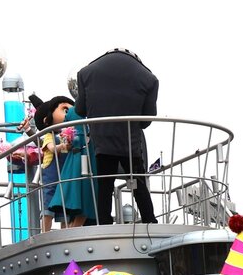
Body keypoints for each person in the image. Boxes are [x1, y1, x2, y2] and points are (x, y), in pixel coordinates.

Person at [76, 49, 159, 225]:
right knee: (138, 182)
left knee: (104, 185)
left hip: (102, 140)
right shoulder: (149, 78)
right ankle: (149, 219)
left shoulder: (85, 73)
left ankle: (103, 221)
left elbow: (80, 110)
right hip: (130, 142)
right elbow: (147, 119)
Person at [33, 95, 96, 228]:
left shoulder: (66, 134)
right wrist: (62, 146)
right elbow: (51, 148)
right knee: (48, 208)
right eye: (66, 110)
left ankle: (64, 231)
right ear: (46, 120)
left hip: (64, 175)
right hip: (51, 179)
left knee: (63, 208)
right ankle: (45, 232)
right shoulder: (49, 135)